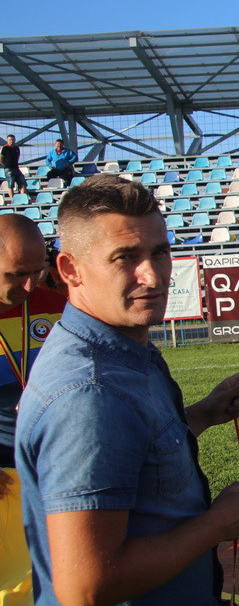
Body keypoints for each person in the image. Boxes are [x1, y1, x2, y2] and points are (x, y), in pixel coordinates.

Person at [15, 176, 239, 605]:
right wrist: (216, 525)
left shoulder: (122, 350)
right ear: (70, 269)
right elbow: (86, 587)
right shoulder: (89, 394)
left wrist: (203, 414)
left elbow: (135, 452)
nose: (152, 276)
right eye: (125, 257)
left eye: (160, 252)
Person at [0, 215, 65, 604]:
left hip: (60, 476)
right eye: (15, 275)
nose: (29, 285)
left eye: (37, 271)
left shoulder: (60, 309)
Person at [1, 135, 26, 201]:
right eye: (10, 140)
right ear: (7, 140)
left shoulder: (16, 148)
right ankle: (13, 200)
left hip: (16, 168)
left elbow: (17, 157)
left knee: (23, 183)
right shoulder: (5, 148)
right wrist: (6, 164)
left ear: (15, 140)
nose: (11, 141)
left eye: (12, 139)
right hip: (8, 168)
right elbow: (1, 159)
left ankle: (23, 199)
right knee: (11, 184)